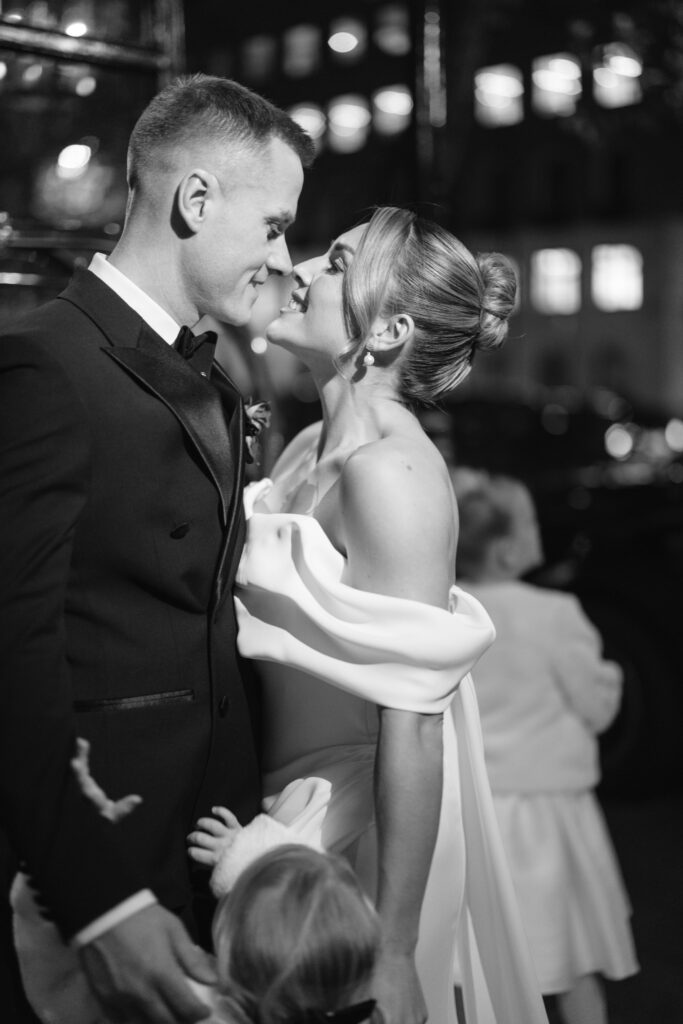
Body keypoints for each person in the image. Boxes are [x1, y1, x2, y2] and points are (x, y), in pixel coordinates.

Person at [0, 72, 313, 1024]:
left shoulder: (211, 376)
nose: (284, 254)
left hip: (210, 849)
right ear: (196, 198)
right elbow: (11, 655)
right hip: (104, 860)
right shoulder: (45, 366)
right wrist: (101, 906)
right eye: (275, 225)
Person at [191, 206, 549, 1024]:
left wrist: (391, 948)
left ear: (386, 328)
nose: (304, 266)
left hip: (356, 832)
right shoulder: (307, 448)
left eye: (338, 262)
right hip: (280, 799)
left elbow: (415, 721)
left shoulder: (393, 475)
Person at [451, 471, 639, 1024]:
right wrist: (610, 680)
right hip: (554, 816)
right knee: (574, 956)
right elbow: (596, 706)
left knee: (480, 966)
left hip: (477, 814)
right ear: (509, 551)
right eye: (533, 522)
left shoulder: (453, 611)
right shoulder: (556, 615)